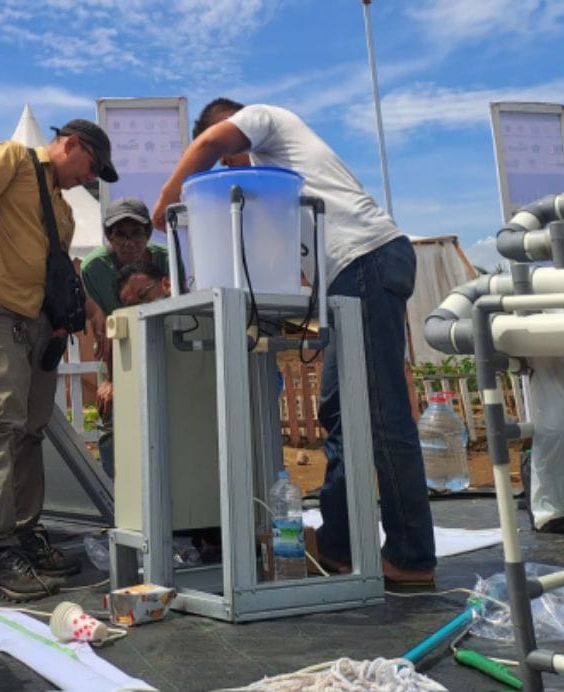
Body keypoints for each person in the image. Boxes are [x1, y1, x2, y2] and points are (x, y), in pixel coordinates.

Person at [152, 98, 436, 585]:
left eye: (229, 159)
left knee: (380, 411)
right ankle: (338, 547)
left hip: (366, 260)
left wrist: (167, 204)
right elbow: (295, 281)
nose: (228, 167)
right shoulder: (281, 187)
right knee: (338, 412)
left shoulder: (267, 120)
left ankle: (412, 557)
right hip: (353, 275)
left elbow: (210, 142)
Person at [0, 118, 119, 600]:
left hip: (42, 326)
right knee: (0, 425)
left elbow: (60, 267)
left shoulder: (63, 210)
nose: (89, 178)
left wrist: (92, 310)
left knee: (30, 431)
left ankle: (23, 537)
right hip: (0, 313)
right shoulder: (11, 157)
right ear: (73, 144)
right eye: (92, 167)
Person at [80, 199, 173, 477]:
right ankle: (117, 493)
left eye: (136, 233)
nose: (129, 242)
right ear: (110, 237)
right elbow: (108, 328)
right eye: (120, 234)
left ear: (148, 233)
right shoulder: (94, 268)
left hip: (164, 346)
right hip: (117, 349)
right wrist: (112, 379)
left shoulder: (166, 259)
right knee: (113, 415)